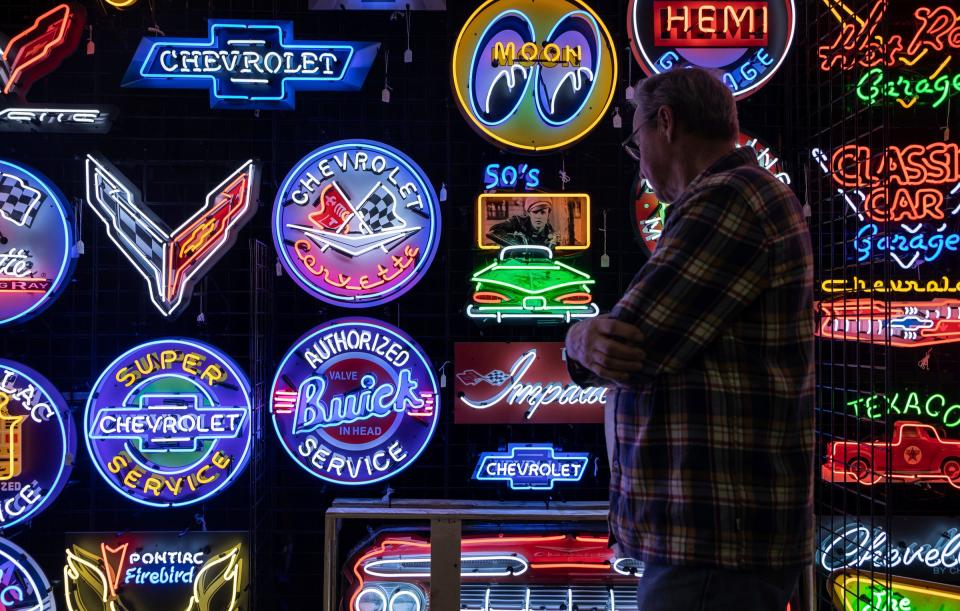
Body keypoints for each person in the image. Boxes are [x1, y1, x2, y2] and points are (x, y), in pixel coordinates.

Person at [564, 68, 814, 610]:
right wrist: (588, 337)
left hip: (716, 537)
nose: (640, 158)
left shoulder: (729, 198)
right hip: (723, 536)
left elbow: (632, 343)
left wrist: (578, 339)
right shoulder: (745, 194)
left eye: (637, 141)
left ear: (666, 123)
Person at [485, 198, 558, 248]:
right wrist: (518, 244)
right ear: (529, 213)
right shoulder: (517, 222)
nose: (538, 216)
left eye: (543, 212)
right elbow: (493, 231)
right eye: (535, 212)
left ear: (548, 214)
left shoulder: (551, 234)